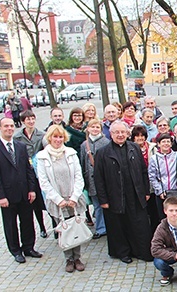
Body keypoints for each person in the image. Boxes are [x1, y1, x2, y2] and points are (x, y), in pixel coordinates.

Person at [94, 121, 153, 264]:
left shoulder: (134, 148)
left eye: (123, 132)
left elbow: (143, 171)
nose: (120, 135)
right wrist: (103, 200)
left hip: (135, 194)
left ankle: (140, 251)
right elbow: (98, 178)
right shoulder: (102, 153)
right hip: (115, 195)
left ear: (127, 133)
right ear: (111, 134)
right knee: (119, 226)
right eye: (116, 132)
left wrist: (146, 191)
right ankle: (123, 252)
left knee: (138, 224)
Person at [36, 125, 89, 272]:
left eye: (60, 137)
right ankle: (68, 259)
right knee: (64, 229)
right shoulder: (42, 157)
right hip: (57, 201)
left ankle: (77, 257)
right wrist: (58, 200)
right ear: (49, 138)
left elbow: (79, 176)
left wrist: (74, 197)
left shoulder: (71, 153)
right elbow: (44, 182)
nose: (58, 140)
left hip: (73, 198)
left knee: (75, 227)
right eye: (55, 137)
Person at [0, 118, 42, 263]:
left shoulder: (20, 146)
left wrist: (32, 189)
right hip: (7, 195)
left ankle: (29, 247)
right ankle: (16, 251)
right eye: (6, 126)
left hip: (24, 192)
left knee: (27, 221)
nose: (9, 128)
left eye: (11, 126)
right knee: (11, 224)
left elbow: (28, 169)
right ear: (0, 128)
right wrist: (0, 196)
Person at [13, 110, 47, 238]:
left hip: (41, 170)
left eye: (32, 118)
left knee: (46, 198)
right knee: (35, 202)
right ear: (23, 122)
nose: (31, 121)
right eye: (28, 119)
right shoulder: (18, 138)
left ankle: (55, 225)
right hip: (28, 172)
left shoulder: (42, 135)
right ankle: (42, 227)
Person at [80, 118, 109, 240]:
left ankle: (106, 226)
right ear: (88, 129)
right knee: (97, 205)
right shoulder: (84, 145)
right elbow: (82, 161)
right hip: (91, 180)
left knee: (106, 204)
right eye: (93, 127)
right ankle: (100, 228)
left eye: (97, 127)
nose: (95, 129)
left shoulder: (106, 142)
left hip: (104, 179)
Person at [149, 133, 177, 219]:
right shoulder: (154, 158)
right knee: (164, 217)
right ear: (159, 144)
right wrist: (159, 190)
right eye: (163, 142)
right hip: (162, 192)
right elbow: (152, 176)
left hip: (176, 190)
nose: (166, 144)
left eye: (168, 141)